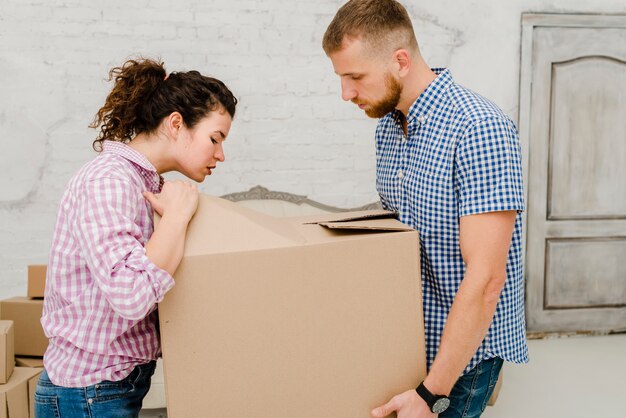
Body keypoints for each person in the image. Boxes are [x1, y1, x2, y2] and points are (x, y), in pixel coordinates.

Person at [323, 1, 527, 417]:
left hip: (459, 364)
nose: (346, 93)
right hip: (408, 341)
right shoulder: (388, 127)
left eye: (354, 77)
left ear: (400, 60)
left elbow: (487, 278)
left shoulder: (478, 128)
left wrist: (430, 393)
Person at [35, 58, 237, 418]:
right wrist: (176, 217)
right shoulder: (109, 181)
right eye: (215, 139)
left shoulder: (146, 184)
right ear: (176, 123)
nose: (220, 155)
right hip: (88, 392)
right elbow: (129, 295)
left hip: (109, 387)